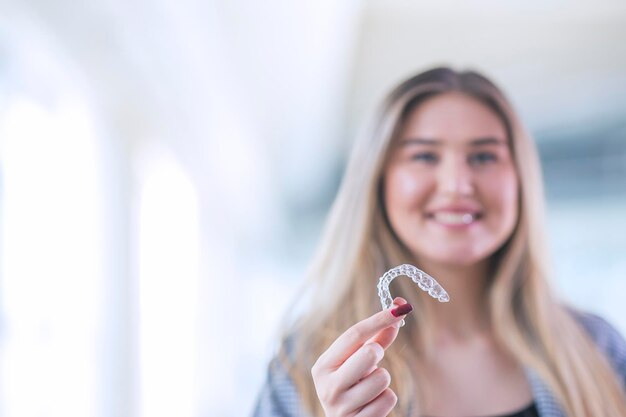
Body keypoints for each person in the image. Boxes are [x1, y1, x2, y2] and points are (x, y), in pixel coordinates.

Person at [252, 67, 626, 417]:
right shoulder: (301, 366)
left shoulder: (598, 348)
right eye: (424, 155)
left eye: (483, 156)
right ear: (379, 182)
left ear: (520, 180)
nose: (457, 184)